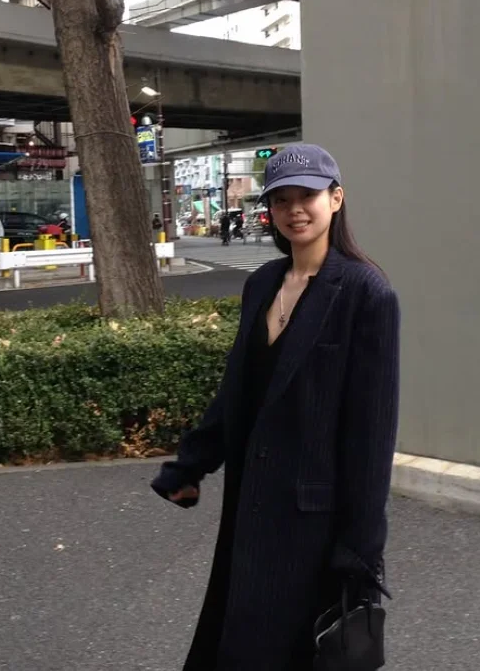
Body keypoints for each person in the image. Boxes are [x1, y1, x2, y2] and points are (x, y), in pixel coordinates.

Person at [151, 143, 400, 671]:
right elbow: (237, 391)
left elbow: (371, 436)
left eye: (308, 195)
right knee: (237, 643)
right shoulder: (262, 283)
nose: (294, 210)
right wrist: (190, 464)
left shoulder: (367, 293)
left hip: (314, 525)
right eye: (281, 199)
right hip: (252, 505)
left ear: (336, 199)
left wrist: (360, 551)